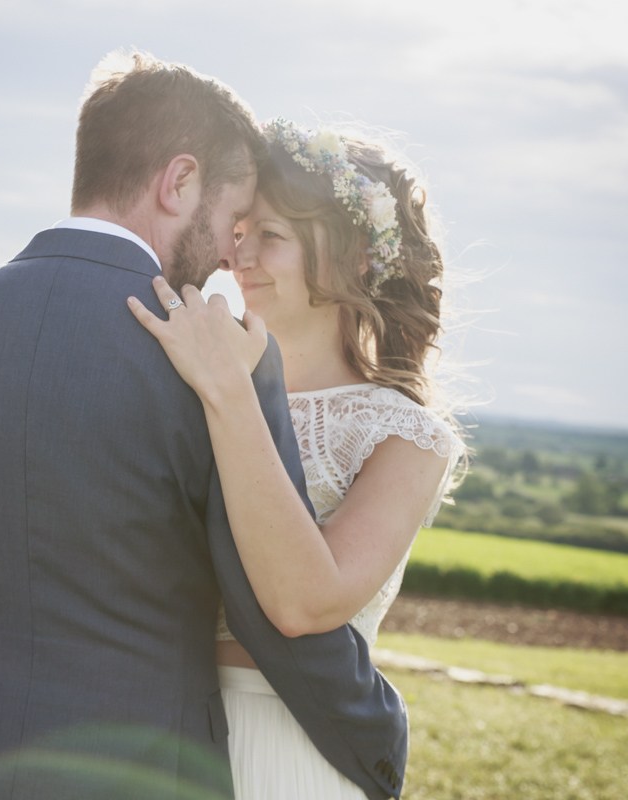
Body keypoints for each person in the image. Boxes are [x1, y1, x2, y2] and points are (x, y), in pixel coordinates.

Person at [0, 54, 407, 800]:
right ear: (179, 181)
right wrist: (377, 735)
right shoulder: (221, 358)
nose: (230, 254)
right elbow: (270, 616)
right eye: (233, 219)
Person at [129, 118, 466, 799]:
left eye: (272, 236)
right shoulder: (186, 382)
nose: (238, 257)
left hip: (286, 749)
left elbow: (302, 604)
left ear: (359, 256)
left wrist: (229, 390)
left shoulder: (406, 437)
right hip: (150, 731)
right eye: (240, 231)